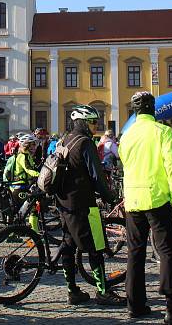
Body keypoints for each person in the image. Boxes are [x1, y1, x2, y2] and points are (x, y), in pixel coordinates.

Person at [119, 92, 172, 323]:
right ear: (153, 109)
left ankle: (134, 305)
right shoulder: (163, 132)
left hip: (133, 200)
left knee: (135, 252)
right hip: (157, 199)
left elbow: (124, 163)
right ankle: (171, 306)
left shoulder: (126, 135)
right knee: (166, 251)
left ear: (135, 111)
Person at [53, 105, 125, 306]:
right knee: (96, 247)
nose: (97, 125)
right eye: (94, 121)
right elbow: (97, 177)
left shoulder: (65, 139)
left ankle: (72, 290)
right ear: (84, 123)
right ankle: (102, 292)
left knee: (68, 244)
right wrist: (110, 197)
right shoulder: (85, 143)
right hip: (83, 204)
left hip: (64, 203)